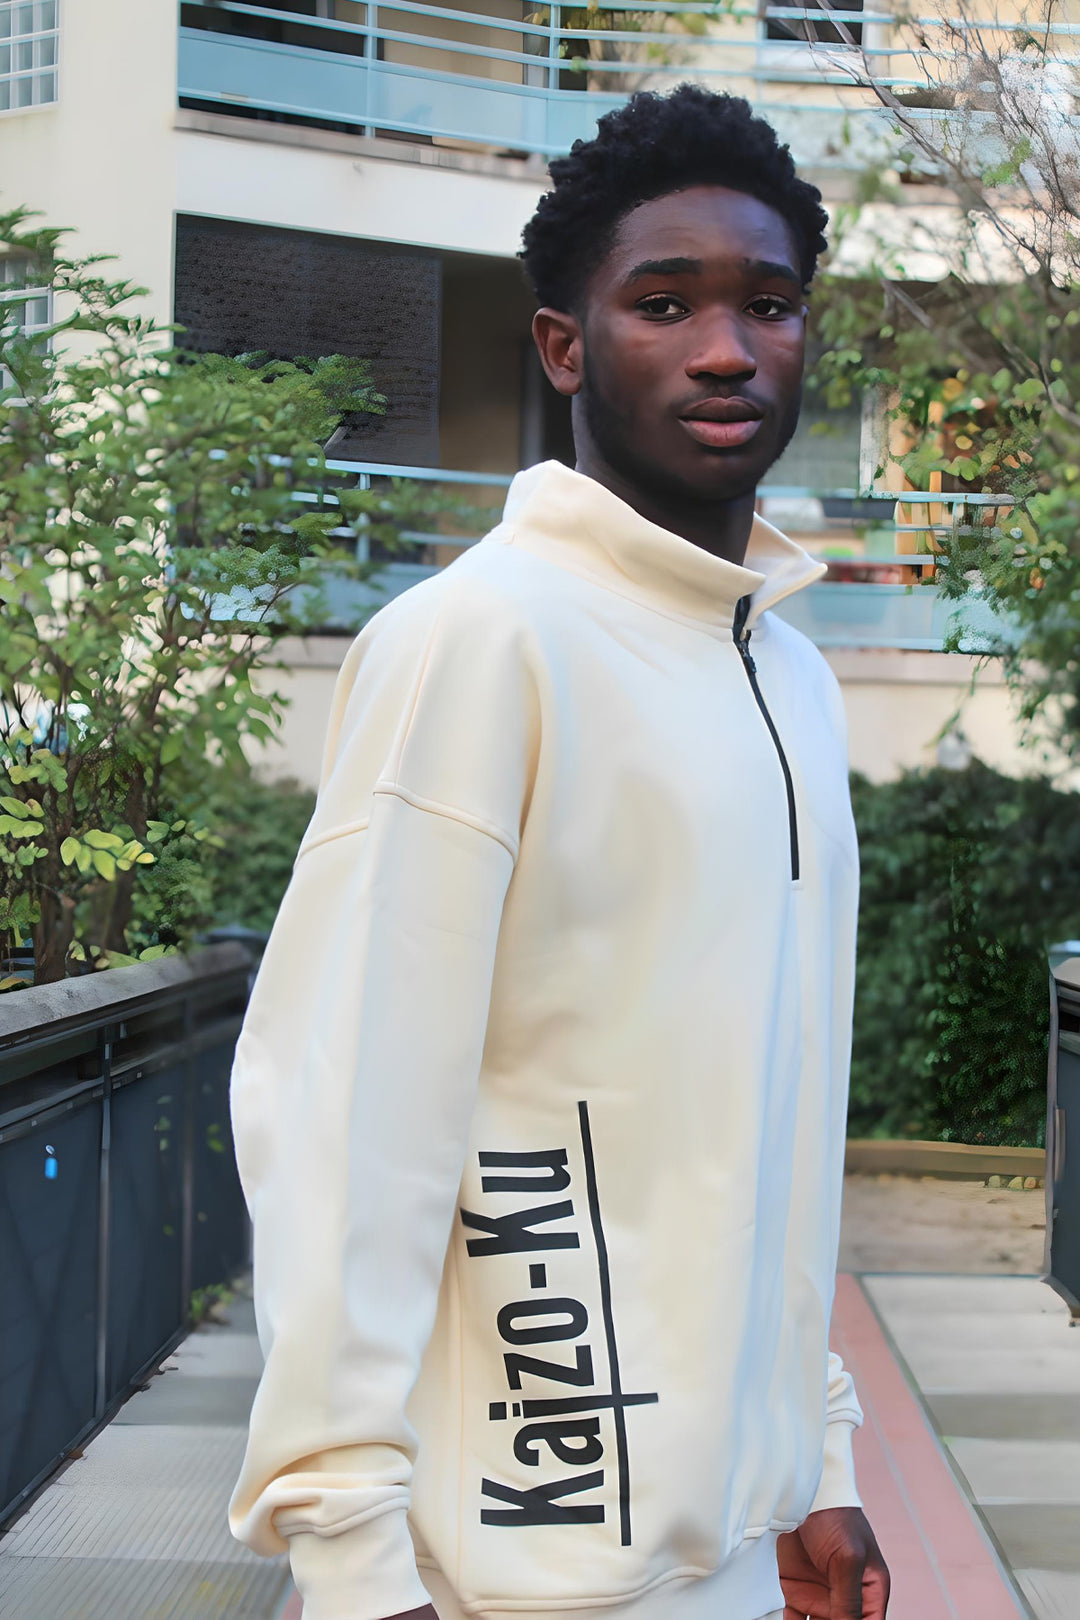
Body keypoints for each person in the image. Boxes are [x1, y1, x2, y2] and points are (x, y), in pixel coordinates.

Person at [228, 84, 891, 1620]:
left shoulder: (789, 675)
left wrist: (824, 1463)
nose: (727, 348)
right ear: (565, 345)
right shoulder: (480, 641)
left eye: (769, 304)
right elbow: (348, 1116)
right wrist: (347, 1553)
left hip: (724, 1551)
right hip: (506, 1568)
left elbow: (765, 1127)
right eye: (665, 304)